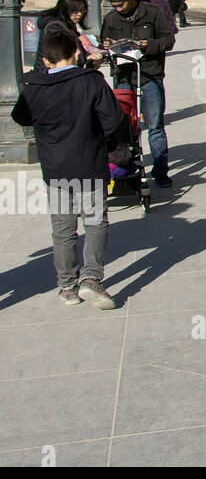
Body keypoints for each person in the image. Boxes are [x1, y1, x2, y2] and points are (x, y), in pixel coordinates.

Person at [11, 25, 126, 308]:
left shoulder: (34, 87)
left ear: (47, 61)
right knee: (95, 222)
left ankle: (67, 287)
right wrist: (111, 144)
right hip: (89, 163)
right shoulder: (92, 81)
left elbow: (21, 117)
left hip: (56, 169)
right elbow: (114, 121)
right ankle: (91, 278)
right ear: (77, 53)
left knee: (63, 230)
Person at [101, 0, 175, 187]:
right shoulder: (111, 19)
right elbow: (103, 42)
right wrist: (107, 46)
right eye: (115, 6)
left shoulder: (152, 13)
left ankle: (161, 171)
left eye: (121, 4)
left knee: (155, 125)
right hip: (124, 75)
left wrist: (146, 44)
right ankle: (126, 169)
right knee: (123, 126)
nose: (119, 9)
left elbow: (168, 41)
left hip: (149, 74)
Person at [36, 0, 104, 71]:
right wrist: (86, 58)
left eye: (82, 10)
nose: (79, 14)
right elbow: (62, 57)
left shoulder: (68, 24)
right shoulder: (54, 28)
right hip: (50, 75)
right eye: (74, 11)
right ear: (65, 10)